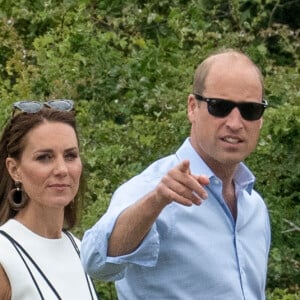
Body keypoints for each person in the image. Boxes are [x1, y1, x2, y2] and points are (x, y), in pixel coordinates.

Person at [81, 49, 271, 300]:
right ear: (193, 108)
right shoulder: (153, 189)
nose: (235, 123)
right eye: (220, 107)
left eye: (250, 110)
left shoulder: (254, 207)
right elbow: (96, 262)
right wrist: (156, 201)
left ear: (260, 119)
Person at [0, 100, 98, 300]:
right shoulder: (5, 255)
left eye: (70, 155)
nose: (62, 169)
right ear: (14, 169)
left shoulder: (80, 249)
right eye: (44, 157)